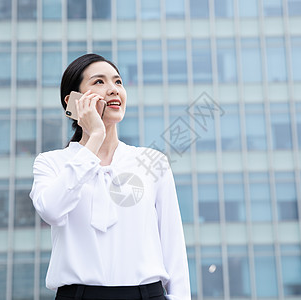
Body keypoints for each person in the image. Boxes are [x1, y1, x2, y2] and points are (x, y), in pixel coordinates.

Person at [29, 53, 191, 300]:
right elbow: (51, 210)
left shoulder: (152, 162)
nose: (113, 90)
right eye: (99, 82)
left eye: (118, 82)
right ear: (73, 102)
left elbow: (173, 246)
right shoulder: (51, 163)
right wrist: (94, 138)